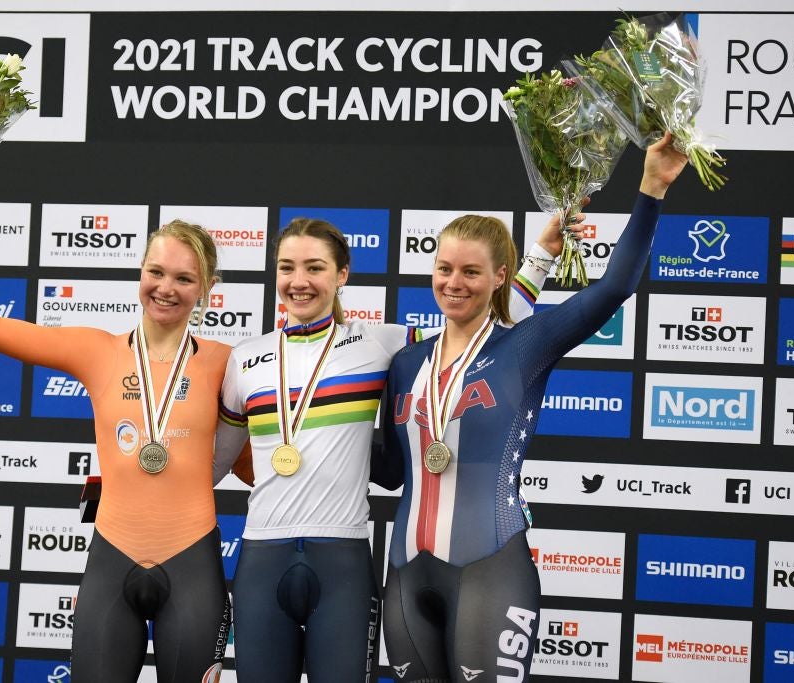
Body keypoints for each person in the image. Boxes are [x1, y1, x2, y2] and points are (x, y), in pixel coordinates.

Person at [212, 210, 577, 682]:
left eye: (315, 267)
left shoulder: (382, 343)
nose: (299, 281)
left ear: (341, 274)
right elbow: (215, 463)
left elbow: (483, 332)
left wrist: (541, 258)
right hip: (262, 553)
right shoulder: (244, 359)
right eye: (287, 267)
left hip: (342, 556)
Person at [378, 132, 687, 682]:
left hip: (490, 569)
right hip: (404, 574)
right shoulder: (406, 363)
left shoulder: (526, 345)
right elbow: (388, 469)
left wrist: (651, 189)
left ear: (499, 277)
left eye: (471, 272)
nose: (454, 283)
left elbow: (614, 287)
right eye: (444, 268)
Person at [0, 184, 232, 683]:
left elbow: (262, 455)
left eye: (184, 279)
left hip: (194, 566)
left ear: (207, 289)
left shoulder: (230, 364)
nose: (166, 287)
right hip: (111, 559)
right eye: (155, 272)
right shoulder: (96, 350)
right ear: (139, 272)